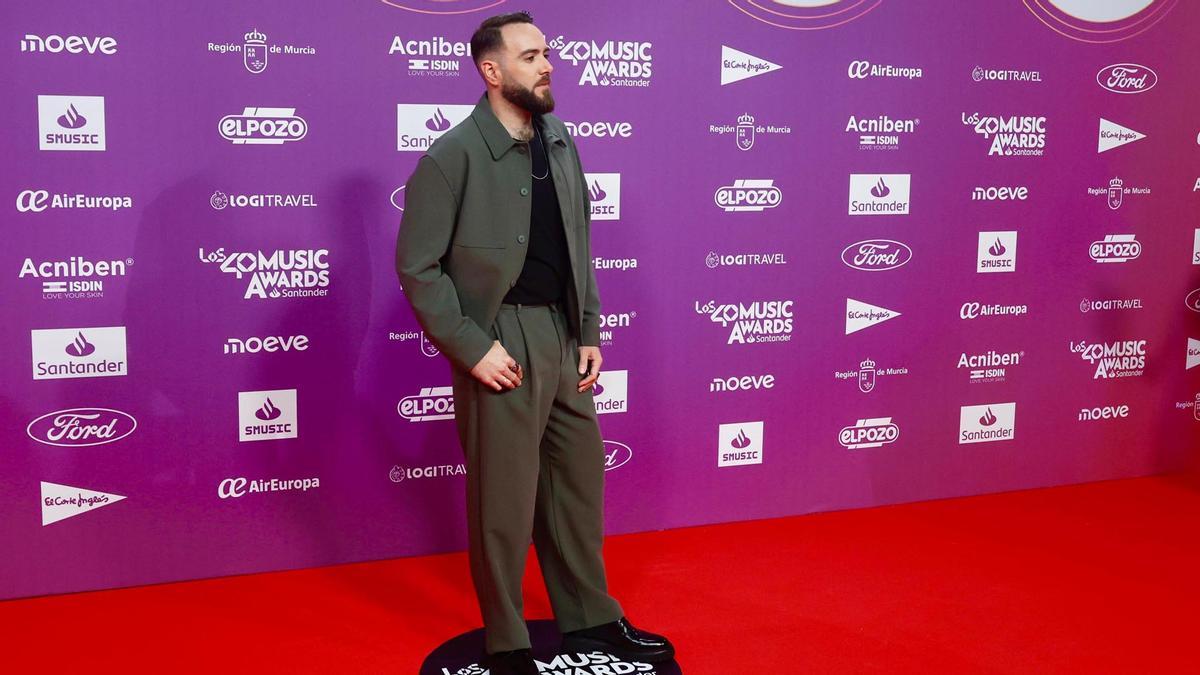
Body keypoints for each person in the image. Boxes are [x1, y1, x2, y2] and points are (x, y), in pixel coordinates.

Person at [395, 11, 674, 675]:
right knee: (504, 501)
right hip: (500, 341)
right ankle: (508, 641)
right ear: (491, 72)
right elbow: (417, 267)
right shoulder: (450, 157)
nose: (546, 65)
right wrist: (471, 344)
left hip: (561, 335)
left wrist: (590, 328)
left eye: (545, 52)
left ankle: (593, 619)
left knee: (577, 487)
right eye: (528, 57)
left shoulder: (561, 142)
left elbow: (579, 239)